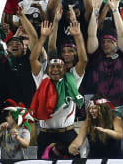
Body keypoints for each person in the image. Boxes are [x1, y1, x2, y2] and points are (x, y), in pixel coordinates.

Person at [30, 21, 88, 155]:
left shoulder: (72, 78)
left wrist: (78, 36)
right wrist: (43, 37)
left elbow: (83, 60)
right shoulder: (42, 79)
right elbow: (33, 59)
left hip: (67, 133)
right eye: (52, 67)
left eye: (59, 67)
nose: (55, 69)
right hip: (45, 135)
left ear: (65, 69)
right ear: (48, 70)